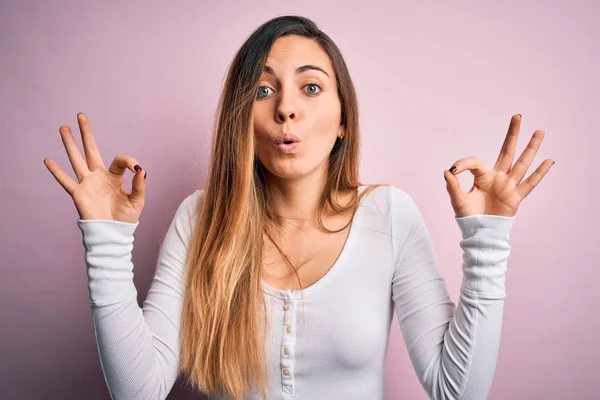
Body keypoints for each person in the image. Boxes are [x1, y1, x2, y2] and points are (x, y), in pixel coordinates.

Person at [43, 15, 554, 400]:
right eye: (264, 90)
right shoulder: (201, 219)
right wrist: (106, 241)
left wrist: (488, 238)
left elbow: (456, 390)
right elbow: (139, 390)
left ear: (342, 122)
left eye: (311, 87)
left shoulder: (390, 216)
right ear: (243, 120)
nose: (286, 106)